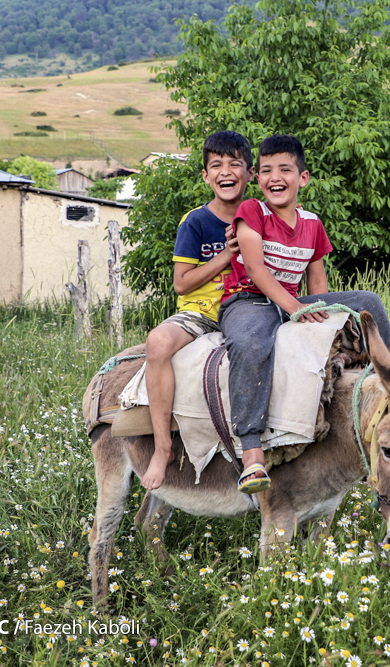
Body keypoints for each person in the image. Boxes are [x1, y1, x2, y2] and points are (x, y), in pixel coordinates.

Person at [219, 134, 390, 494]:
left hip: (292, 304)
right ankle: (251, 451)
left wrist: (328, 324)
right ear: (257, 178)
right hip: (248, 302)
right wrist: (296, 307)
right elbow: (255, 268)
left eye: (285, 169)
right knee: (251, 346)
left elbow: (317, 283)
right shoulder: (252, 211)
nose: (275, 177)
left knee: (368, 302)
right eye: (266, 170)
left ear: (303, 178)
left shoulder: (312, 223)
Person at [140, 130, 255, 490]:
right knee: (157, 342)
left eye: (235, 164)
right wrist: (226, 256)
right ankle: (162, 448)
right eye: (216, 165)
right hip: (201, 315)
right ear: (206, 175)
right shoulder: (196, 222)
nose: (226, 171)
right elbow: (181, 283)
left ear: (250, 173)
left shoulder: (261, 218)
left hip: (250, 309)